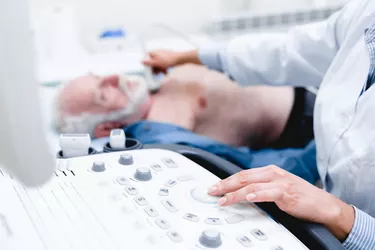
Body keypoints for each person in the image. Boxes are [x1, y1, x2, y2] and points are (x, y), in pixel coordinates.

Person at [142, 0, 375, 248]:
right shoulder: (365, 15)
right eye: (98, 89)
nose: (112, 80)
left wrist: (342, 217)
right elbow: (286, 51)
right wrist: (185, 57)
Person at [55, 64, 314, 149]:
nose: (115, 79)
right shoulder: (162, 131)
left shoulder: (161, 84)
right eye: (103, 94)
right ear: (107, 127)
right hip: (303, 128)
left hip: (306, 89)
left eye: (101, 77)